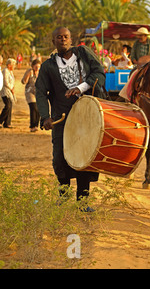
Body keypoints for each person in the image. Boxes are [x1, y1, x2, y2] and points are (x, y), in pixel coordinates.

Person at [35, 27, 106, 209]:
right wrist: (45, 116)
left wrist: (81, 87)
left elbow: (99, 73)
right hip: (62, 117)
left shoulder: (83, 53)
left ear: (71, 39)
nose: (63, 40)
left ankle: (83, 201)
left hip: (87, 115)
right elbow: (41, 92)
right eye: (59, 37)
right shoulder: (47, 66)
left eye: (66, 37)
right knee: (59, 156)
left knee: (85, 157)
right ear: (54, 42)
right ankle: (64, 195)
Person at [21, 59, 41, 132]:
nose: (37, 68)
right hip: (29, 92)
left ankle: (36, 125)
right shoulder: (30, 71)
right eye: (36, 67)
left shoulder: (40, 73)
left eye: (39, 67)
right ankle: (32, 126)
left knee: (39, 109)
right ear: (32, 66)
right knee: (33, 108)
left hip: (38, 93)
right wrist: (28, 75)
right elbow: (23, 81)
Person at [0, 58, 17, 128]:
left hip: (10, 91)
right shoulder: (5, 71)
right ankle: (0, 120)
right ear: (9, 65)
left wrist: (12, 88)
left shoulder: (10, 72)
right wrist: (11, 88)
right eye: (13, 65)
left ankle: (7, 123)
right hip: (5, 91)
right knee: (7, 106)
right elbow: (6, 82)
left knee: (10, 106)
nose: (14, 66)